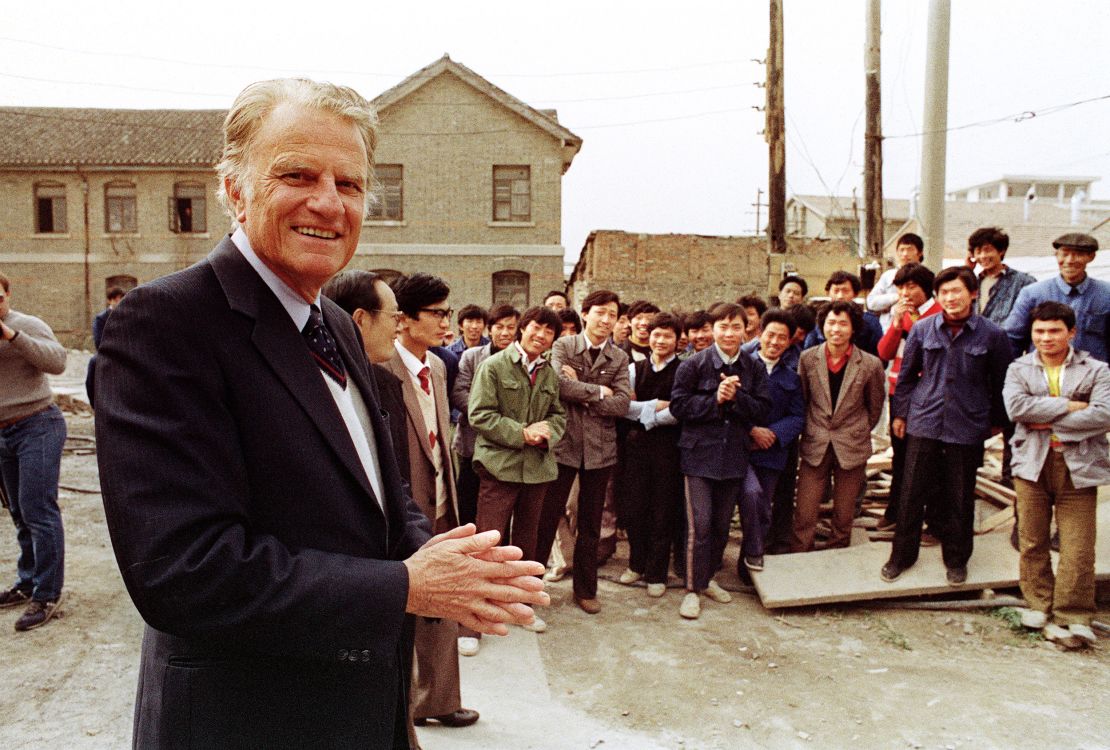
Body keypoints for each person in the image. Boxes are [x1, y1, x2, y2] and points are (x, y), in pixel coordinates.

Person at [94, 78, 546, 749]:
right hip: (246, 720)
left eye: (351, 184)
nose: (328, 203)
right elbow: (181, 571)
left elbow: (379, 490)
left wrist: (439, 557)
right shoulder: (166, 324)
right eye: (297, 175)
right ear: (233, 188)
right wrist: (403, 587)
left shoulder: (333, 319)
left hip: (362, 712)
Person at [382, 272, 480, 728]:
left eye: (449, 312)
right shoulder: (380, 368)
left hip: (442, 501)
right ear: (403, 319)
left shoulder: (438, 366)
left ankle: (439, 700)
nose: (447, 322)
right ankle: (402, 710)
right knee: (405, 612)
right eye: (438, 313)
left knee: (445, 598)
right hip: (403, 508)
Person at [883, 267, 1012, 585]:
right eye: (944, 293)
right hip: (925, 420)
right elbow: (907, 377)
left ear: (973, 294)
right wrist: (901, 414)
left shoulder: (993, 335)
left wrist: (995, 422)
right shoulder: (923, 329)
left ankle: (956, 559)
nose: (951, 298)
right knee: (911, 492)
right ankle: (901, 557)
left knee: (959, 495)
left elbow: (1001, 383)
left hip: (966, 425)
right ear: (937, 297)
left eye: (957, 291)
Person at [1003, 301, 1110, 645]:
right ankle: (1038, 603)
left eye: (1054, 331)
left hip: (1078, 465)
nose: (1046, 338)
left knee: (1078, 545)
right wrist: (1069, 405)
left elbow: (1104, 414)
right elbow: (1016, 408)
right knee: (1032, 539)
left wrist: (1045, 418)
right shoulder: (1019, 368)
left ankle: (1074, 612)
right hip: (1032, 463)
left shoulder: (1097, 370)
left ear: (1071, 332)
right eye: (1039, 331)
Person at [468, 306, 566, 634]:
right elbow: (480, 414)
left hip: (537, 470)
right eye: (536, 327)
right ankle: (476, 618)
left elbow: (558, 415)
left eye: (549, 332)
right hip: (499, 467)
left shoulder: (549, 372)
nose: (541, 335)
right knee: (489, 541)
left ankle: (522, 605)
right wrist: (522, 432)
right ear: (522, 328)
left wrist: (547, 431)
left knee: (528, 541)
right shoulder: (494, 366)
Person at [670, 302, 770, 619]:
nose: (729, 333)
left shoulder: (754, 368)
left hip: (734, 456)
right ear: (712, 330)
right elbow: (679, 407)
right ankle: (691, 590)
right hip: (698, 456)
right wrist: (715, 399)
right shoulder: (693, 365)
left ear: (747, 330)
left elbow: (762, 409)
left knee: (721, 527)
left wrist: (736, 397)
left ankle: (707, 578)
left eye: (735, 327)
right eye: (722, 327)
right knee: (699, 525)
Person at [537, 290, 632, 614]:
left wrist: (580, 390)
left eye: (613, 315)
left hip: (600, 451)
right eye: (600, 313)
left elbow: (622, 404)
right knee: (547, 518)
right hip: (564, 446)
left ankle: (586, 589)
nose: (606, 321)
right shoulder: (564, 345)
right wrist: (597, 391)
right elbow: (557, 386)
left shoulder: (618, 357)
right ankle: (531, 588)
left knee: (590, 524)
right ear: (586, 313)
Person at [0, 271, 68, 632]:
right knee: (18, 513)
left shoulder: (25, 325)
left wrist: (12, 337)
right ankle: (27, 581)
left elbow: (57, 362)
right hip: (3, 433)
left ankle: (47, 593)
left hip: (37, 424)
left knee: (38, 509)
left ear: (8, 295)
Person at [792, 301, 885, 551]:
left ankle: (837, 553)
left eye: (843, 323)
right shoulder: (808, 359)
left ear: (853, 328)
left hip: (851, 444)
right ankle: (801, 553)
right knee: (805, 509)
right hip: (816, 441)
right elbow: (803, 399)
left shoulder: (870, 364)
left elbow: (874, 406)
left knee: (844, 512)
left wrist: (858, 430)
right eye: (831, 323)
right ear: (822, 327)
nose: (836, 329)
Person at [618, 312, 684, 597]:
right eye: (656, 334)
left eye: (667, 335)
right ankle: (636, 564)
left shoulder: (684, 370)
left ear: (677, 340)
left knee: (663, 510)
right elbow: (622, 406)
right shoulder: (635, 369)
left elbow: (681, 410)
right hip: (636, 449)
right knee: (635, 507)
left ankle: (657, 572)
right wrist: (656, 406)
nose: (660, 340)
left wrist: (644, 413)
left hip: (670, 450)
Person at [322, 269, 410, 477]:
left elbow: (396, 480)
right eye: (394, 316)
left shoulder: (387, 384)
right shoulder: (315, 387)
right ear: (360, 319)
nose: (398, 327)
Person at [874, 263, 941, 534]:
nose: (905, 293)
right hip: (899, 393)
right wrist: (896, 324)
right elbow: (884, 352)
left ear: (926, 288)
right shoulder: (899, 314)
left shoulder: (939, 313)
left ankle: (929, 517)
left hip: (929, 396)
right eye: (901, 287)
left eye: (911, 286)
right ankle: (896, 510)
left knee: (928, 458)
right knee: (900, 457)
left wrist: (909, 323)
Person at [743, 309, 805, 570]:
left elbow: (798, 415)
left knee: (763, 507)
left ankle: (748, 561)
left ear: (790, 341)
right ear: (760, 334)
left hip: (772, 453)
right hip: (739, 449)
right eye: (770, 335)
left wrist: (775, 434)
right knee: (749, 495)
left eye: (782, 337)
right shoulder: (741, 367)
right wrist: (751, 431)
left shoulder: (792, 377)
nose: (775, 342)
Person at [451, 304, 520, 527]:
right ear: (489, 329)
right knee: (468, 503)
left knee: (500, 508)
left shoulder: (520, 359)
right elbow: (459, 392)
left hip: (505, 446)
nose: (505, 332)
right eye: (499, 327)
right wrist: (488, 417)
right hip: (472, 441)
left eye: (511, 327)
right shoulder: (472, 356)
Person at [1006, 232, 1108, 364]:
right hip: (1042, 376)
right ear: (1056, 256)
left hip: (1092, 379)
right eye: (1064, 254)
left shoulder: (1106, 294)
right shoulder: (1032, 294)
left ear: (1091, 257)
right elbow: (1012, 339)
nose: (1070, 260)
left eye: (1078, 254)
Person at [968, 227, 1035, 326]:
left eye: (987, 250)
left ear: (1001, 251)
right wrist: (967, 269)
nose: (983, 256)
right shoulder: (973, 283)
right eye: (978, 252)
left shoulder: (1024, 282)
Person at [803, 271, 882, 355]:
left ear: (855, 294)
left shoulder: (870, 321)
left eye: (845, 291)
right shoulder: (819, 319)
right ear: (828, 293)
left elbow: (880, 356)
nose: (840, 296)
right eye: (836, 291)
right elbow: (809, 353)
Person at [867, 232, 925, 330]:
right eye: (901, 250)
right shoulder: (888, 276)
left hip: (917, 327)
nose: (905, 254)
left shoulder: (925, 276)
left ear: (920, 253)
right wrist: (897, 297)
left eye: (910, 249)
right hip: (887, 329)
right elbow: (871, 302)